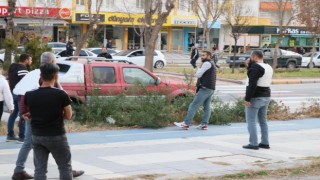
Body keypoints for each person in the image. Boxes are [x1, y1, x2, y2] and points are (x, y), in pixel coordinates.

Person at [12, 52, 84, 180]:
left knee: (38, 166)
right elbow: (67, 111)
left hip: (37, 130)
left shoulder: (31, 80)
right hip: (55, 132)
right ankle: (19, 170)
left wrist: (24, 113)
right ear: (52, 64)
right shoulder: (57, 87)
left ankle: (19, 169)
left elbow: (21, 96)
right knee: (64, 165)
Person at [23, 63, 73, 179]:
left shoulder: (29, 94)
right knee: (64, 166)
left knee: (40, 169)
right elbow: (68, 115)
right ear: (56, 76)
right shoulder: (61, 94)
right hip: (56, 135)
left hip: (37, 136)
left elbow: (33, 111)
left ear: (40, 76)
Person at [174, 51, 216, 130]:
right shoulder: (211, 63)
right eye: (201, 55)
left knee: (193, 105)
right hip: (210, 88)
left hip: (205, 88)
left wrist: (200, 67)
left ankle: (186, 124)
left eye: (204, 55)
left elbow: (198, 74)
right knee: (207, 107)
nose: (202, 57)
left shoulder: (207, 63)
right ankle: (204, 124)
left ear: (209, 56)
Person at [243, 50, 273, 150]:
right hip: (266, 95)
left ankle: (253, 143)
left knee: (251, 121)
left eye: (251, 58)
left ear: (255, 57)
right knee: (263, 121)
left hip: (256, 97)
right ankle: (265, 142)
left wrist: (247, 98)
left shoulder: (255, 68)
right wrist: (249, 66)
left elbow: (252, 84)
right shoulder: (268, 66)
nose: (249, 59)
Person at [6, 54, 32, 143]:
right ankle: (22, 136)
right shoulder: (22, 69)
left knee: (13, 114)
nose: (31, 62)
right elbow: (25, 82)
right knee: (23, 114)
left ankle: (10, 135)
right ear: (26, 60)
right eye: (30, 60)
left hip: (12, 93)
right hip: (20, 94)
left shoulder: (12, 67)